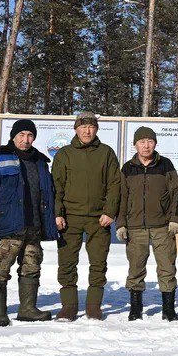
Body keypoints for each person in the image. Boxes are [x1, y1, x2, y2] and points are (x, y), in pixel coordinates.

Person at [0, 119, 58, 327]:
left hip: (33, 224)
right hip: (7, 225)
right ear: (13, 136)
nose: (25, 140)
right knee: (0, 268)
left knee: (31, 266)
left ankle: (28, 309)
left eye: (29, 136)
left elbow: (47, 194)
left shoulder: (40, 162)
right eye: (21, 135)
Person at [52, 112, 122, 321]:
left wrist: (110, 211)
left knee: (98, 263)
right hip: (70, 218)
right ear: (75, 129)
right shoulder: (64, 154)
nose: (87, 130)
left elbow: (114, 184)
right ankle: (69, 307)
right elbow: (57, 186)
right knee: (66, 263)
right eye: (83, 127)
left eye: (91, 127)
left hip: (98, 219)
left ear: (96, 129)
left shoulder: (106, 153)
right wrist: (58, 213)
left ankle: (93, 307)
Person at [117, 126, 178, 321]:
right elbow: (121, 197)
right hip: (135, 227)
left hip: (162, 226)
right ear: (135, 144)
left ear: (155, 144)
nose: (146, 146)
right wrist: (121, 223)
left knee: (167, 267)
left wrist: (174, 219)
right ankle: (136, 308)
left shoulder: (165, 165)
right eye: (142, 142)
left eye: (150, 141)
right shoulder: (128, 168)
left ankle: (168, 309)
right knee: (136, 268)